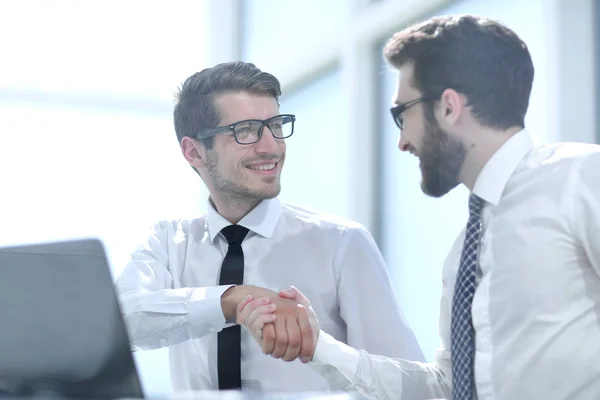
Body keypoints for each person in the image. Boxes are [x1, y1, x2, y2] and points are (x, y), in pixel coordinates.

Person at [237, 15, 600, 400]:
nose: (402, 142)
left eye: (402, 114)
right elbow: (446, 388)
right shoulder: (463, 252)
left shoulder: (582, 178)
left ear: (448, 107)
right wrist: (319, 347)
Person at [114, 61, 424, 393]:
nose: (271, 146)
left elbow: (406, 384)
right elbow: (123, 320)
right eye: (245, 130)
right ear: (194, 151)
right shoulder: (168, 241)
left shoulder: (342, 243)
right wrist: (233, 300)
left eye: (275, 125)